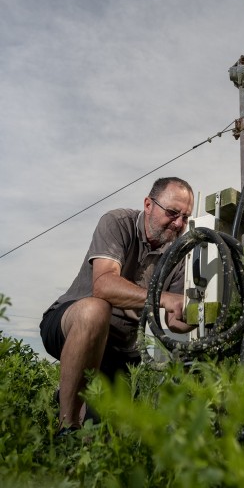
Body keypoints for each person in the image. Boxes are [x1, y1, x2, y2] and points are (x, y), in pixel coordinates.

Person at [40, 176, 194, 435]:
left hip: (122, 350)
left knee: (107, 436)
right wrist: (163, 298)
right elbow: (104, 285)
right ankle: (66, 427)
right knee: (95, 311)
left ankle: (76, 397)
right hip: (72, 325)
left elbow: (172, 319)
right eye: (172, 212)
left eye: (186, 217)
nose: (179, 223)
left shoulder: (179, 255)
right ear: (148, 205)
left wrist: (190, 316)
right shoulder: (117, 222)